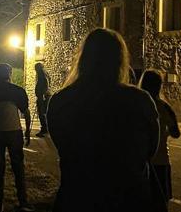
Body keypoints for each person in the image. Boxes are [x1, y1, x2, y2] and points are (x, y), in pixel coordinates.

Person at [47, 28, 160, 212]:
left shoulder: (61, 101)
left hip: (78, 196)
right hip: (129, 198)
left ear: (83, 58)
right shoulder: (140, 100)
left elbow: (62, 145)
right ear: (120, 59)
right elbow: (150, 149)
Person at [0, 63, 33, 212]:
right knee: (18, 167)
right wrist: (27, 132)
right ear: (10, 73)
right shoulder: (17, 91)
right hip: (14, 132)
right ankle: (23, 202)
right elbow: (26, 113)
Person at [140, 69, 180, 212]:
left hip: (141, 161)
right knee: (162, 202)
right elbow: (176, 133)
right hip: (161, 161)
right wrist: (164, 133)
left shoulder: (137, 105)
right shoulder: (165, 107)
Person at [34, 63, 50, 137]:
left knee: (41, 113)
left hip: (42, 97)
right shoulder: (45, 74)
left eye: (36, 68)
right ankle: (45, 129)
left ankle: (44, 129)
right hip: (43, 96)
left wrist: (43, 94)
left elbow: (45, 84)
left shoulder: (41, 75)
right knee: (43, 113)